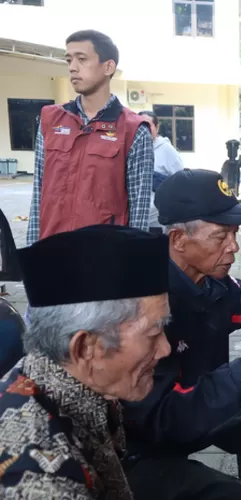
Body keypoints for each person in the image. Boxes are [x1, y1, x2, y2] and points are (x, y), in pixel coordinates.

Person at [122, 169, 241, 500]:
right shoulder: (144, 306)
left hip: (200, 409)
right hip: (141, 447)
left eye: (235, 233)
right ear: (179, 240)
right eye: (221, 236)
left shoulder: (209, 283)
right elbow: (162, 419)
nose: (234, 247)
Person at [0, 225, 171, 499]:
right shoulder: (44, 484)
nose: (165, 348)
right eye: (154, 332)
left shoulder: (70, 382)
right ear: (85, 347)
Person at [27, 30, 154, 244]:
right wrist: (31, 254)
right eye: (69, 59)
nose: (72, 67)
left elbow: (139, 212)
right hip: (51, 252)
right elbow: (39, 194)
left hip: (104, 259)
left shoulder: (134, 130)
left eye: (82, 59)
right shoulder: (51, 121)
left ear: (108, 67)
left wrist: (130, 267)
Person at [138, 110, 184, 234]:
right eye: (140, 126)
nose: (144, 130)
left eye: (148, 126)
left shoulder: (167, 151)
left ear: (157, 128)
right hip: (137, 219)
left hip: (159, 221)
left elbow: (180, 183)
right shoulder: (133, 149)